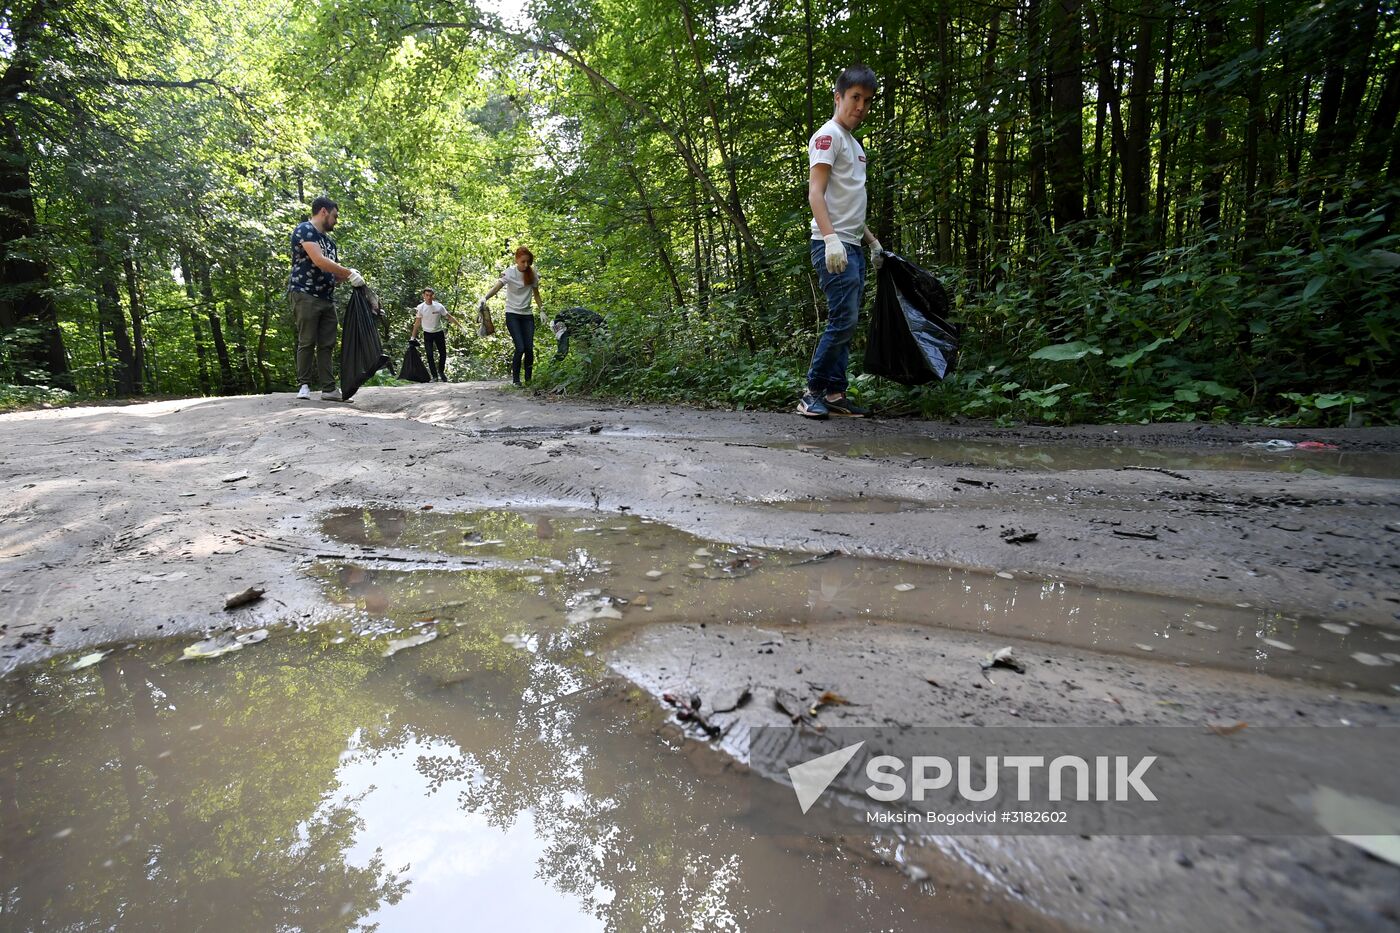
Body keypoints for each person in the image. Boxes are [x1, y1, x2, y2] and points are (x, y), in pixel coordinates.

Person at [800, 65, 885, 419]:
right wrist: (832, 240)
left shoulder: (854, 144)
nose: (861, 106)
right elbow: (815, 194)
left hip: (851, 245)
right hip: (831, 246)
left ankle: (835, 392)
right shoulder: (828, 136)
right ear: (838, 97)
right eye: (855, 97)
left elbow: (848, 205)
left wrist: (872, 241)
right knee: (842, 318)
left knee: (848, 321)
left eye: (867, 100)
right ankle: (812, 391)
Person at [287, 196, 365, 401]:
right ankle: (303, 385)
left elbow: (333, 273)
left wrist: (349, 276)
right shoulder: (305, 230)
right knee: (307, 340)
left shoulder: (330, 242)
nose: (336, 220)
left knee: (327, 343)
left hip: (326, 297)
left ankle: (329, 389)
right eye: (334, 216)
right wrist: (348, 272)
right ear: (323, 212)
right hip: (305, 293)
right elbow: (319, 261)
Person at [479, 246, 544, 386]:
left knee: (529, 348)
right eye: (523, 262)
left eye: (528, 262)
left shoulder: (532, 274)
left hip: (527, 315)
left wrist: (542, 310)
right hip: (512, 314)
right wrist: (485, 298)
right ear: (517, 260)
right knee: (520, 347)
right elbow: (497, 287)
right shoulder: (509, 273)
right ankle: (516, 380)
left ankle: (528, 379)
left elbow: (536, 295)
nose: (526, 265)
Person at [409, 288, 460, 382]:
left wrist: (460, 326)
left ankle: (441, 372)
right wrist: (413, 337)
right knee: (429, 355)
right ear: (423, 296)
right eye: (426, 295)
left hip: (438, 332)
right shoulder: (420, 307)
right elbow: (417, 323)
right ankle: (434, 376)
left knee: (443, 353)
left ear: (433, 296)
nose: (428, 297)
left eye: (430, 295)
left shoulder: (439, 306)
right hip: (427, 334)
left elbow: (448, 317)